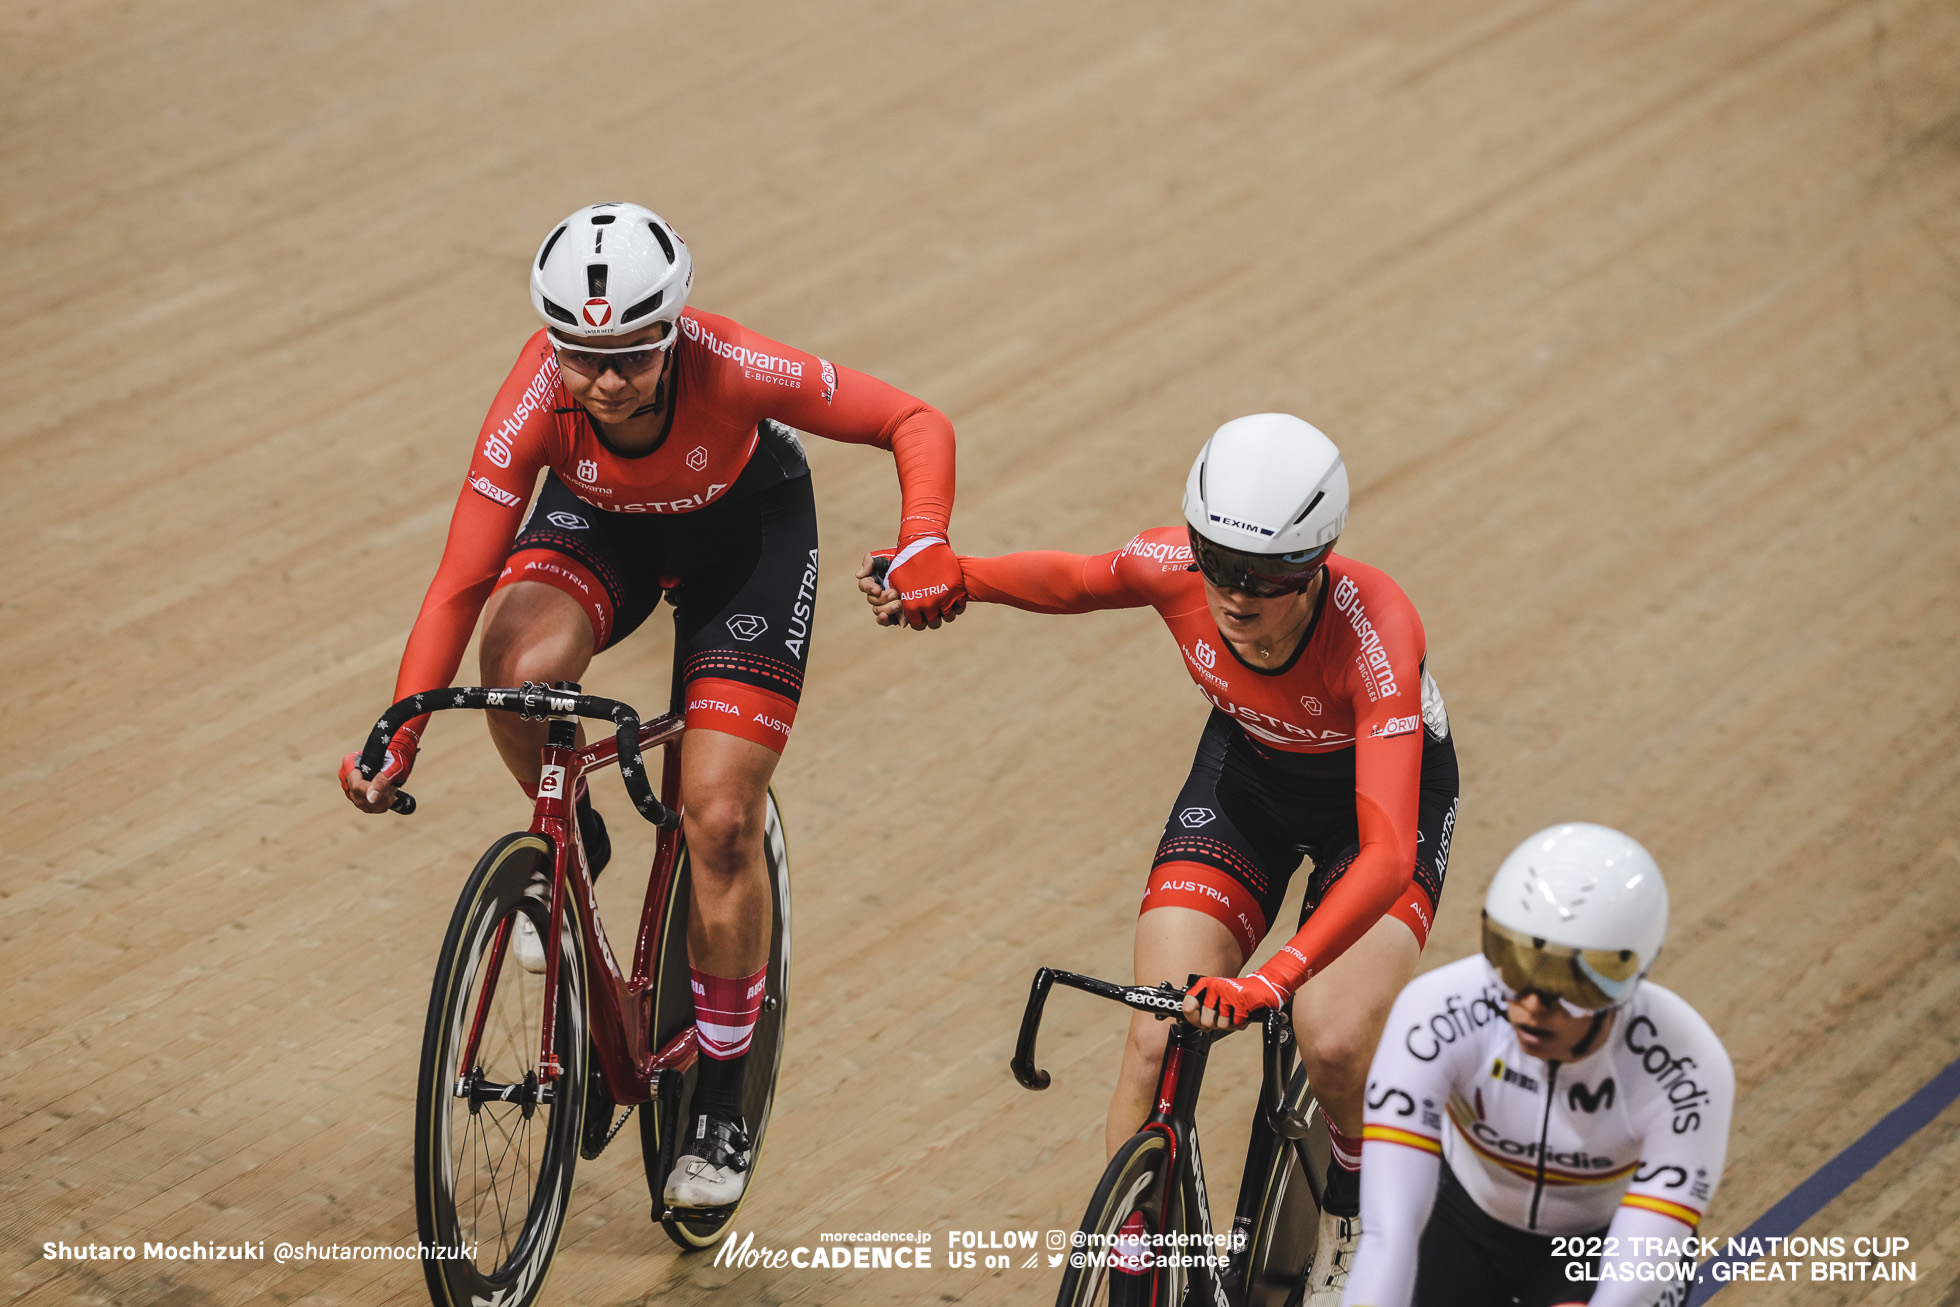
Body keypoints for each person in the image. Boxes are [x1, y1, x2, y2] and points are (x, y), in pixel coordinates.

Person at [340, 202, 966, 1211]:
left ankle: (721, 1093)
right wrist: (400, 725)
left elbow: (913, 421)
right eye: (582, 356)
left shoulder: (736, 365)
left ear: (672, 329)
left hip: (743, 545)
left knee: (719, 817)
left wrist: (926, 537)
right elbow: (461, 578)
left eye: (632, 354)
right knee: (512, 660)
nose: (606, 378)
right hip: (603, 528)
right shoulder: (537, 396)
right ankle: (570, 844)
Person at [860, 413, 1460, 1304]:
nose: (1234, 592)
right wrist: (960, 578)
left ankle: (1354, 1192)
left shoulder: (1377, 632)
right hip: (1249, 778)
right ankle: (1138, 1277)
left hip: (1371, 813)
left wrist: (1277, 978)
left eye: (1263, 577)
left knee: (1330, 1033)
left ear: (1317, 562)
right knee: (1155, 1031)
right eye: (1217, 562)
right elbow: (1074, 579)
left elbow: (1383, 856)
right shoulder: (1172, 564)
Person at [1341, 823, 1734, 1307]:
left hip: (1598, 1245)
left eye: (1572, 983)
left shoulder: (1687, 1069)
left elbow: (1640, 1266)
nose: (1531, 1004)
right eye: (1514, 963)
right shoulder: (1437, 1014)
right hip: (1463, 1221)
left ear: (1628, 978)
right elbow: (1389, 1235)